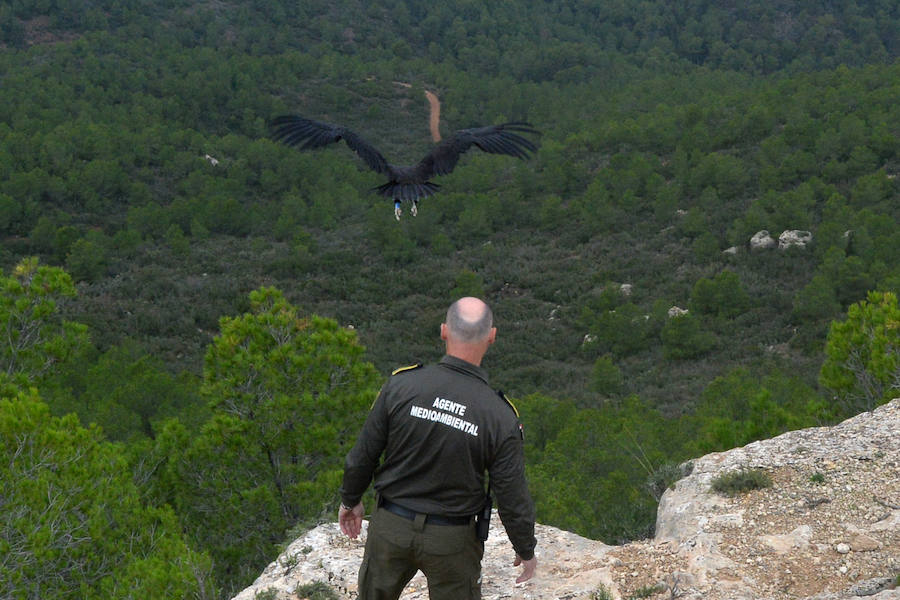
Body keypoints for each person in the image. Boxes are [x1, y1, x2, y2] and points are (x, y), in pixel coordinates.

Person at [338, 297, 537, 600]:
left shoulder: (401, 386)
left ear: (444, 331)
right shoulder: (499, 415)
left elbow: (364, 454)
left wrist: (350, 499)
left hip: (391, 526)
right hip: (453, 540)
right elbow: (511, 494)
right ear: (492, 337)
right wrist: (525, 548)